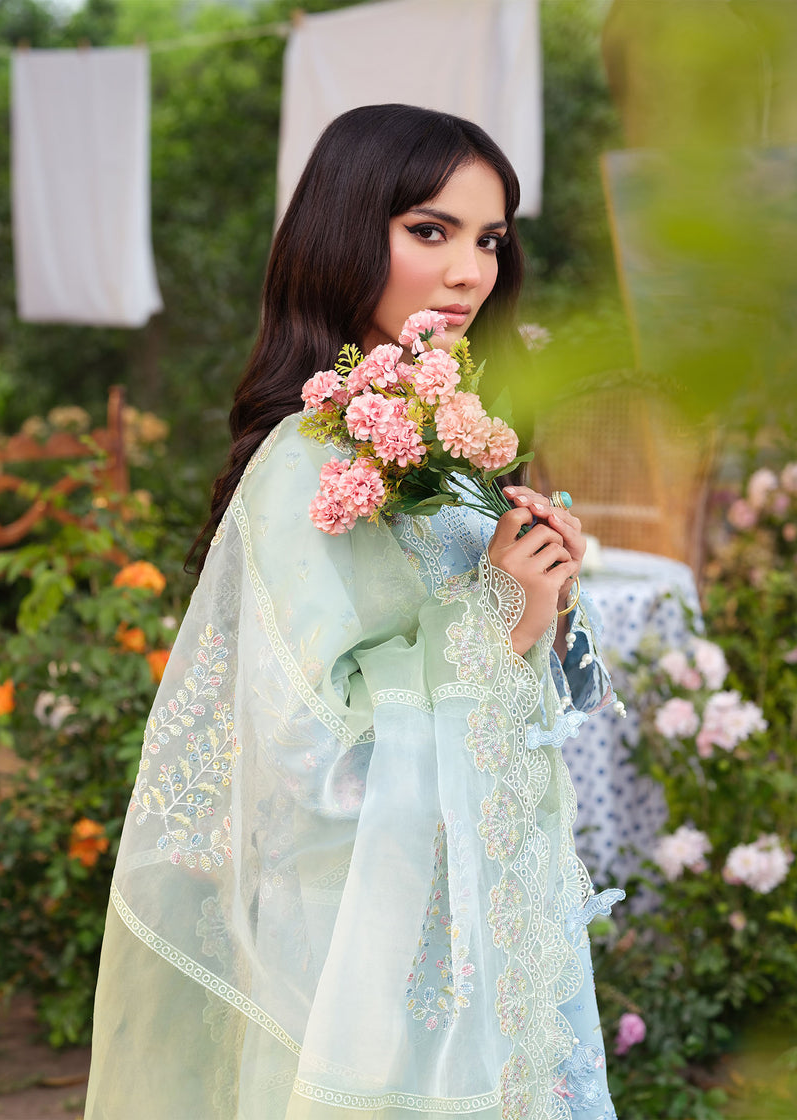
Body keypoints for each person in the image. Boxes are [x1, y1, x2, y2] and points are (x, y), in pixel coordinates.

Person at [85, 104, 623, 1120]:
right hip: (369, 941)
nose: (469, 272)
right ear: (343, 232)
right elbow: (307, 754)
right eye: (430, 231)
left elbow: (516, 693)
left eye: (489, 240)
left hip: (478, 911)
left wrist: (540, 596)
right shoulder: (310, 461)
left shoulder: (443, 452)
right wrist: (494, 620)